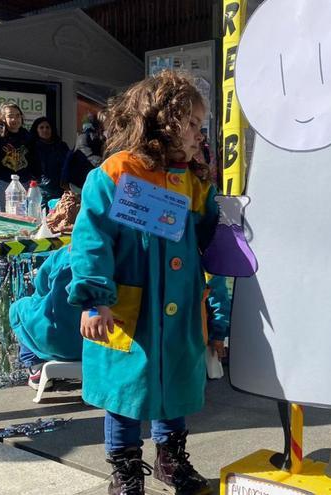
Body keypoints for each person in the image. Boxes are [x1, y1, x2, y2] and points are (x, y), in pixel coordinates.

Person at [68, 71, 219, 495]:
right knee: (125, 393)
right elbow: (91, 240)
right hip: (128, 311)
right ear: (161, 121)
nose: (197, 133)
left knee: (174, 386)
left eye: (200, 126)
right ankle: (126, 471)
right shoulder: (116, 173)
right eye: (191, 123)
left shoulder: (193, 180)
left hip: (179, 309)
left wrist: (229, 223)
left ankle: (170, 460)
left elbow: (207, 239)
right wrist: (95, 299)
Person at [9, 247, 83, 389]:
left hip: (56, 340)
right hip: (106, 340)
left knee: (19, 307)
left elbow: (41, 288)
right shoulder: (114, 253)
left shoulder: (63, 254)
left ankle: (34, 367)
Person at [0, 103, 41, 212]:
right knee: (3, 218)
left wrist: (36, 177)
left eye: (18, 115)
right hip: (1, 183)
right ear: (3, 118)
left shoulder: (28, 137)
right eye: (10, 116)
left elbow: (35, 160)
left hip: (23, 184)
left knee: (22, 218)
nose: (15, 119)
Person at [29, 117, 70, 207]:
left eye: (48, 127)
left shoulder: (61, 146)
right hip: (39, 189)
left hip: (60, 189)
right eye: (41, 127)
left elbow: (68, 165)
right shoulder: (31, 147)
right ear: (36, 130)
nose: (45, 130)